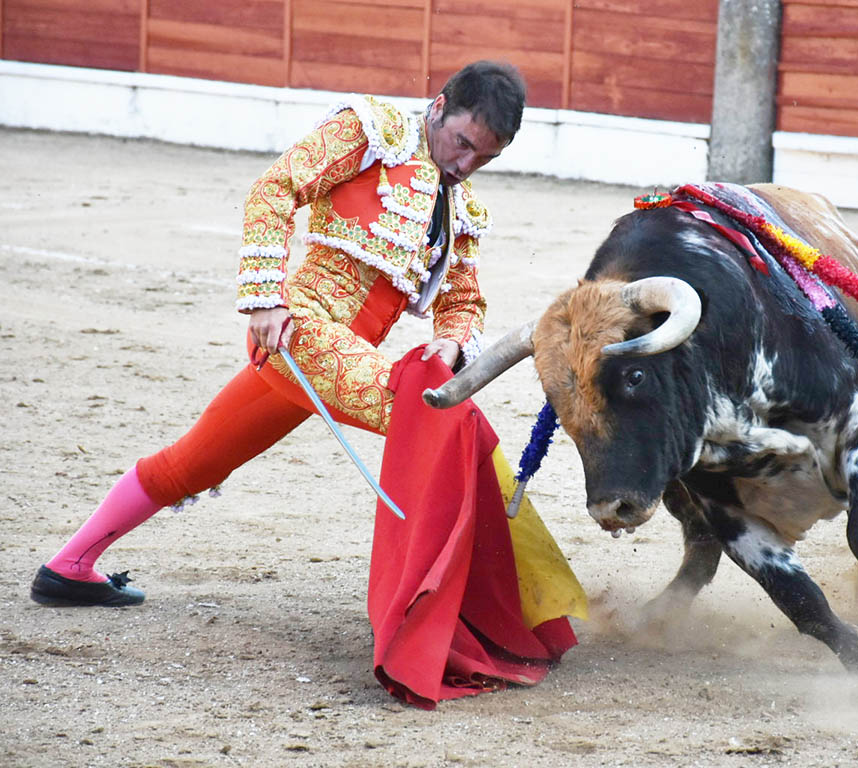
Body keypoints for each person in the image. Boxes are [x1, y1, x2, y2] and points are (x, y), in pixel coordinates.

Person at [30, 60, 528, 607]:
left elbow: (462, 299)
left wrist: (452, 341)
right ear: (438, 107)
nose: (465, 163)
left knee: (194, 463)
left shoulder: (461, 208)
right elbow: (276, 187)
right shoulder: (373, 132)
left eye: (485, 157)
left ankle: (68, 567)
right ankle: (461, 605)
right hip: (296, 332)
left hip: (337, 359)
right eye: (461, 143)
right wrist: (266, 296)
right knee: (436, 418)